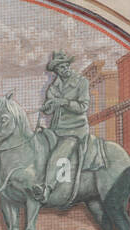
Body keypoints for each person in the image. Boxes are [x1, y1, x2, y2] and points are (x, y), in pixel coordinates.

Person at [38, 51, 90, 206]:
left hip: (75, 130)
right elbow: (48, 109)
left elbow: (83, 106)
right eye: (60, 67)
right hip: (56, 130)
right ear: (56, 71)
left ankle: (47, 188)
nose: (65, 69)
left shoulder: (81, 82)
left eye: (66, 65)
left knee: (59, 154)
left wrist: (65, 102)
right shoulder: (54, 87)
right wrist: (47, 107)